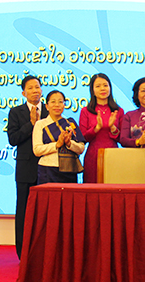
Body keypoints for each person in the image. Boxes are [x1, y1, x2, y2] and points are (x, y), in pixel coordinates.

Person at [7, 75, 47, 260]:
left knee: (46, 213)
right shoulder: (16, 112)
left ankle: (44, 252)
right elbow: (12, 139)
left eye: (37, 87)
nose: (35, 91)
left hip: (48, 169)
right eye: (30, 88)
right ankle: (22, 254)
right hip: (25, 169)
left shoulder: (50, 111)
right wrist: (30, 125)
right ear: (23, 93)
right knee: (23, 211)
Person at [33, 90, 86, 184]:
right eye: (53, 102)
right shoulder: (40, 124)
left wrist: (69, 144)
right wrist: (57, 145)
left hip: (69, 169)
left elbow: (81, 148)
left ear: (64, 105)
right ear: (47, 106)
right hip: (47, 169)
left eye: (60, 102)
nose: (57, 105)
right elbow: (37, 150)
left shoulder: (70, 123)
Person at [79, 73, 124, 183]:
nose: (102, 89)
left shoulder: (118, 111)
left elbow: (122, 139)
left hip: (113, 155)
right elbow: (83, 138)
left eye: (105, 85)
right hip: (93, 156)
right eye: (98, 86)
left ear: (110, 88)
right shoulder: (86, 111)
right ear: (92, 90)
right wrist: (97, 128)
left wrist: (113, 128)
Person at [119, 76, 145, 148]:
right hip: (134, 157)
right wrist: (139, 141)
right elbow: (123, 140)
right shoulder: (129, 115)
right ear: (137, 94)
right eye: (143, 91)